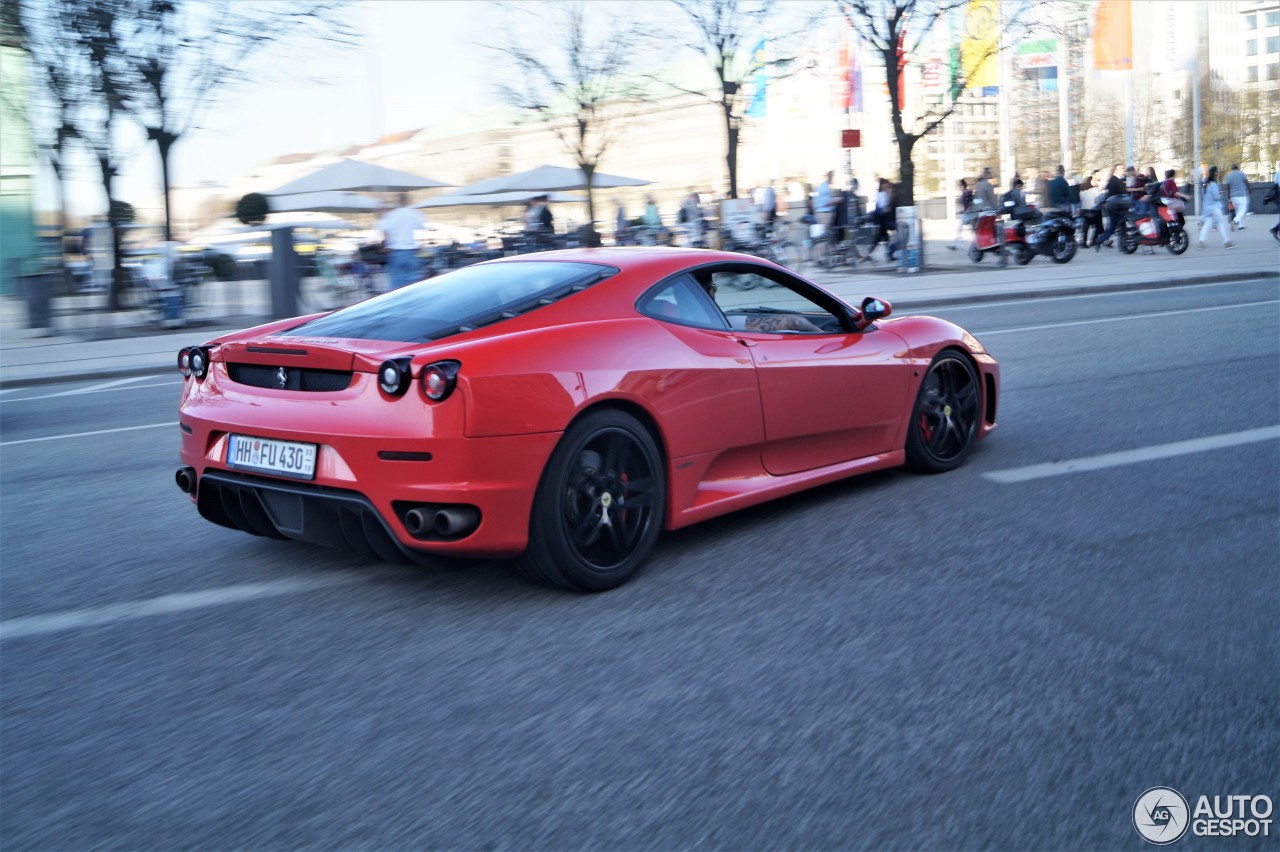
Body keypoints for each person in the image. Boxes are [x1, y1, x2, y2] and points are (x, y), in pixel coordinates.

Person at [378, 193, 426, 289]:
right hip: (411, 250)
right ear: (408, 201)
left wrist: (386, 246)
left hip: (396, 251)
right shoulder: (414, 214)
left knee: (396, 282)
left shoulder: (392, 215)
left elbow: (384, 230)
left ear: (397, 202)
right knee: (413, 281)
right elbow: (421, 227)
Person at [1198, 165, 1236, 249]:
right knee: (1220, 224)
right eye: (1217, 172)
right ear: (1215, 173)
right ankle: (1227, 242)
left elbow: (1204, 195)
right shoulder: (1213, 185)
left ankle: (1201, 240)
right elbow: (1216, 197)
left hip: (1207, 208)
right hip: (1214, 207)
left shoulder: (1205, 184)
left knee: (1207, 224)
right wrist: (1220, 194)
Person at [1094, 165, 1130, 251]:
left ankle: (1123, 246)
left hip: (1113, 206)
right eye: (1121, 168)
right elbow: (1123, 193)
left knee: (1119, 225)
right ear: (1115, 170)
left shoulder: (1112, 179)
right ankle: (1100, 240)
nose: (1123, 170)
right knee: (1114, 226)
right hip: (1117, 207)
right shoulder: (1116, 180)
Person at [949, 178, 975, 250]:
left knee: (964, 229)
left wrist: (965, 210)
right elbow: (969, 202)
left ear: (961, 185)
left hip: (968, 214)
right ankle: (956, 245)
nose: (958, 187)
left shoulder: (966, 193)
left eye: (959, 185)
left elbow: (969, 202)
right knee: (967, 230)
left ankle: (956, 245)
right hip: (968, 213)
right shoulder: (966, 192)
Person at [1225, 164, 1250, 229]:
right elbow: (1246, 182)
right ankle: (1234, 221)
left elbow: (1228, 187)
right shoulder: (1241, 174)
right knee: (1242, 210)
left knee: (1237, 211)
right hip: (1242, 195)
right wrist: (1249, 189)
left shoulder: (1229, 176)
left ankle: (1240, 226)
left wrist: (1229, 197)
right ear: (1238, 168)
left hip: (1233, 196)